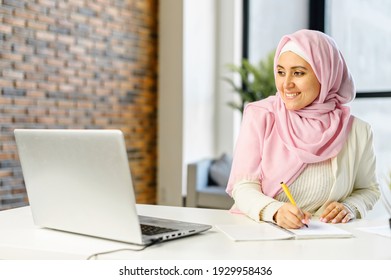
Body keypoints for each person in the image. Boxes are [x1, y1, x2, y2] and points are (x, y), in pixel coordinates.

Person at [226, 29, 380, 229]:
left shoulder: (357, 131)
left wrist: (350, 207)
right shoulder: (261, 115)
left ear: (325, 75)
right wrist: (275, 211)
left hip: (326, 243)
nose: (286, 84)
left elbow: (369, 189)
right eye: (281, 72)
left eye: (298, 73)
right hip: (263, 235)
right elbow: (243, 186)